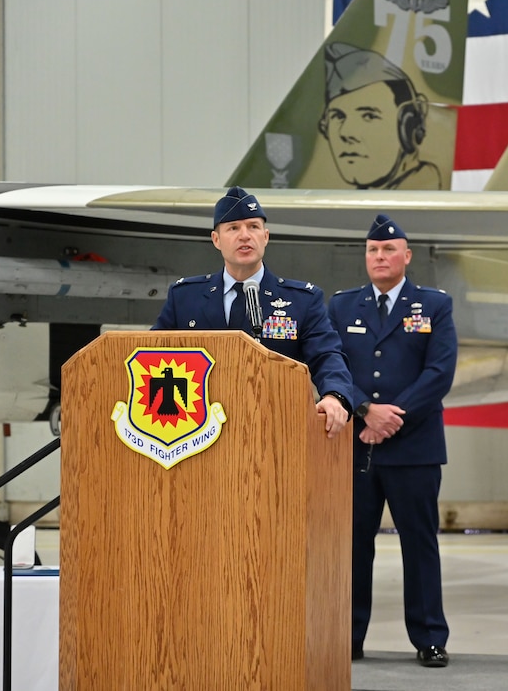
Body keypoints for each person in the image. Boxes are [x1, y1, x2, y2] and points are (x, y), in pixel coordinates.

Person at [327, 213, 458, 667]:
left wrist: (390, 418)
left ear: (407, 255)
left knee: (419, 543)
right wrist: (364, 409)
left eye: (388, 249)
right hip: (356, 446)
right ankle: (348, 636)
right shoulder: (342, 307)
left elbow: (440, 373)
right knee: (352, 543)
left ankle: (429, 638)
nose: (379, 257)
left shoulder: (434, 305)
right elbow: (331, 364)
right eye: (372, 250)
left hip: (414, 446)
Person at [152, 186, 353, 437]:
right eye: (233, 228)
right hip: (196, 433)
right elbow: (151, 354)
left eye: (253, 227)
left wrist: (335, 395)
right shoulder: (185, 297)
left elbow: (327, 355)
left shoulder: (301, 301)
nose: (245, 235)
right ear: (216, 239)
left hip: (274, 432)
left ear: (266, 236)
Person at [318, 42, 442, 190]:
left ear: (408, 125)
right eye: (338, 116)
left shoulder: (416, 202)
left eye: (369, 116)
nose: (346, 132)